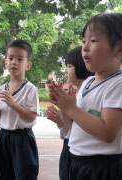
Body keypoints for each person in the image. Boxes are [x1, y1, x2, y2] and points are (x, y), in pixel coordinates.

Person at [49, 13, 122, 180]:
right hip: (78, 163)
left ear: (120, 49)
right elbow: (72, 125)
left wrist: (71, 108)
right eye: (84, 41)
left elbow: (108, 132)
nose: (84, 47)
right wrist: (64, 107)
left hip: (104, 169)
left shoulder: (120, 85)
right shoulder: (87, 83)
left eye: (93, 41)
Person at [0, 39, 40, 180]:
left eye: (19, 59)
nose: (14, 62)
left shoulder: (30, 89)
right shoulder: (1, 89)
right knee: (4, 174)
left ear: (28, 65)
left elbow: (31, 116)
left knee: (25, 175)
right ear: (5, 62)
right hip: (4, 137)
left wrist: (13, 104)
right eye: (10, 58)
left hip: (23, 138)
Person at [46, 46, 94, 180]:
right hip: (68, 146)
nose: (66, 71)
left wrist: (64, 113)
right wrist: (61, 112)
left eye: (69, 66)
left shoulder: (86, 95)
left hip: (81, 151)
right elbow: (69, 125)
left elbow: (81, 126)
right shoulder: (75, 94)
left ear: (82, 66)